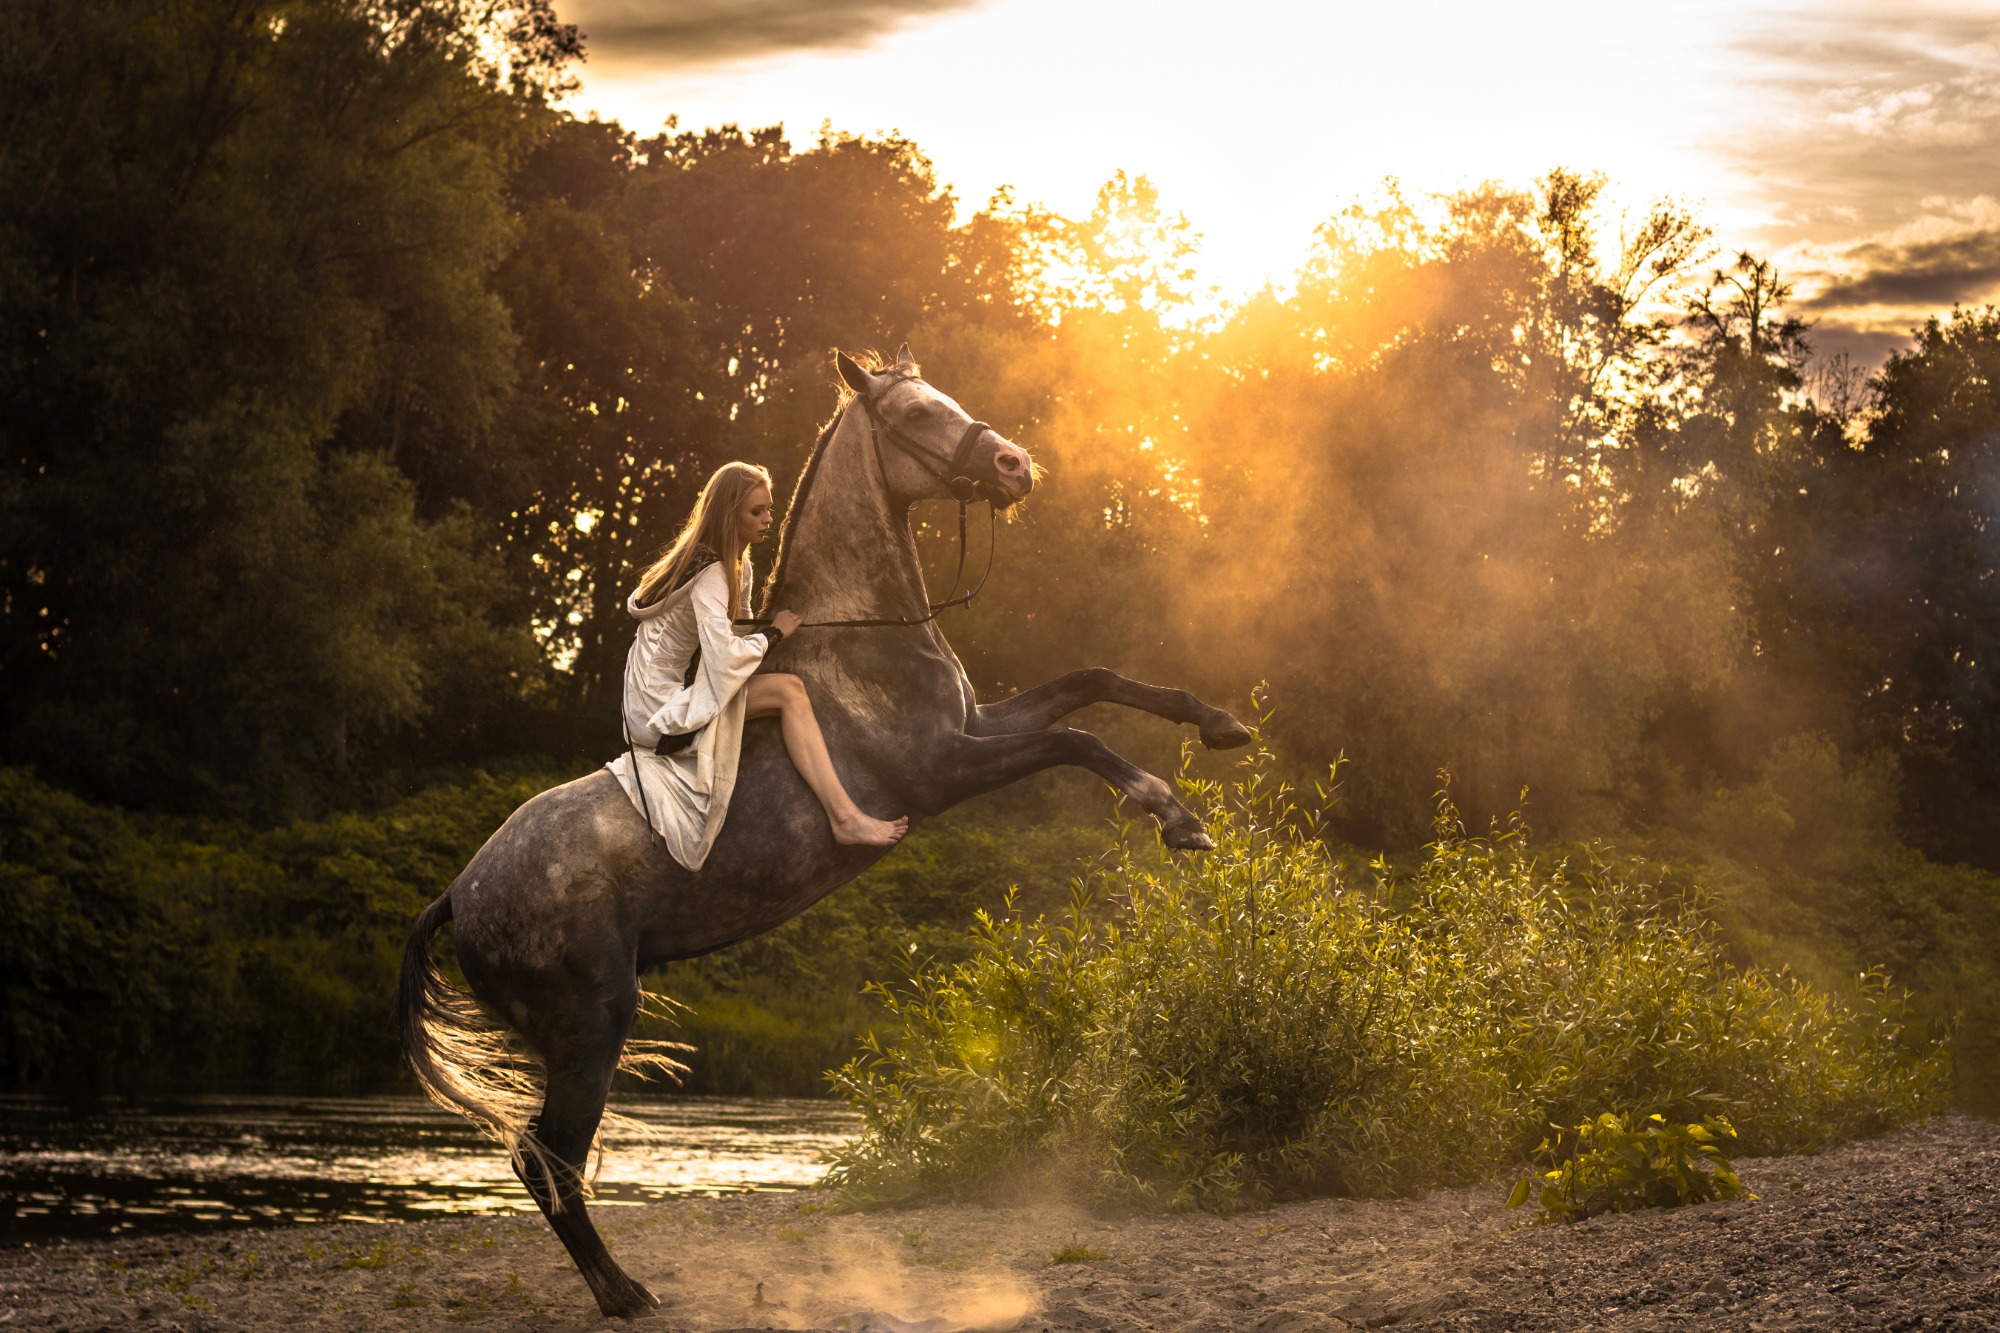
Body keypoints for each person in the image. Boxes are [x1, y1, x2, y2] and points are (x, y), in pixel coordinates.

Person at [606, 462, 909, 869]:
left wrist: (775, 633)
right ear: (729, 515)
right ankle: (845, 818)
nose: (769, 519)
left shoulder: (736, 565)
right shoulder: (712, 570)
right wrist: (776, 634)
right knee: (789, 692)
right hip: (656, 713)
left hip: (648, 702)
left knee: (782, 684)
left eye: (769, 509)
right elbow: (727, 656)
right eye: (756, 512)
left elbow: (737, 628)